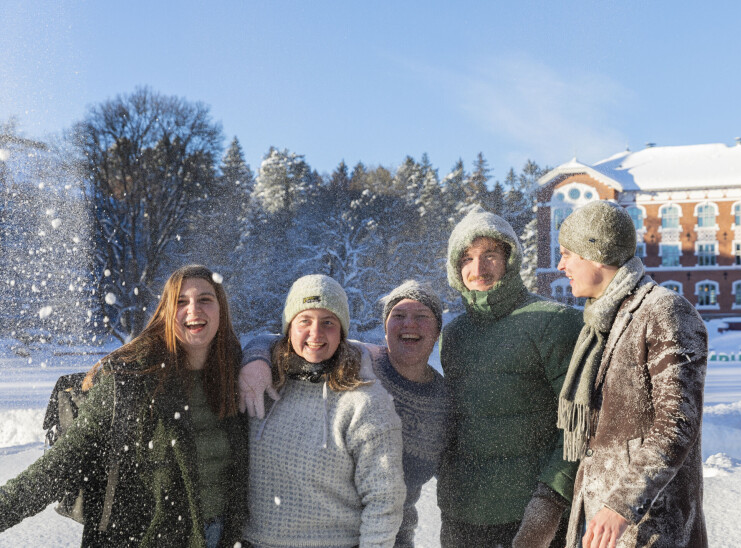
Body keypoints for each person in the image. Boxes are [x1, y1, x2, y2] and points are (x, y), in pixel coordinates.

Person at [0, 264, 248, 547]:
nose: (194, 310)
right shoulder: (130, 378)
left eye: (205, 299)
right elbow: (63, 462)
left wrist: (262, 358)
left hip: (223, 536)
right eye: (181, 302)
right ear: (166, 311)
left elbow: (293, 349)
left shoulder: (237, 373)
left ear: (221, 309)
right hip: (146, 539)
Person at [239, 279, 450, 548]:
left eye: (421, 317)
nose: (409, 324)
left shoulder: (444, 401)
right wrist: (256, 358)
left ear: (437, 331)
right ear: (385, 329)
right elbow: (279, 340)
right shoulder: (362, 360)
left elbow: (391, 495)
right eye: (398, 316)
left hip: (385, 534)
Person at [555, 201, 708, 548]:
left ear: (596, 254)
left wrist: (622, 506)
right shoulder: (600, 322)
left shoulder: (665, 311)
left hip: (649, 527)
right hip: (600, 524)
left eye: (568, 253)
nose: (561, 264)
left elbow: (677, 424)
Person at [439, 209, 583, 548]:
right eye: (468, 258)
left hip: (529, 517)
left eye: (490, 255)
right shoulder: (454, 335)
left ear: (509, 259)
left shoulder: (552, 322)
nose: (478, 269)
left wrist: (550, 501)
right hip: (460, 516)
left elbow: (580, 425)